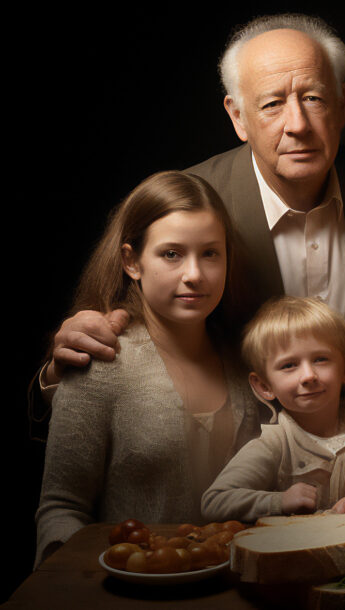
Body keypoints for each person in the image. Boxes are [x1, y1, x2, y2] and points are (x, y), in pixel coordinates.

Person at [40, 13, 345, 395]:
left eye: (313, 98)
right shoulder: (182, 206)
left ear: (342, 104)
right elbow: (86, 359)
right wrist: (60, 372)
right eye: (272, 104)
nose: (297, 124)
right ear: (238, 117)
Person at [35, 171, 261, 566]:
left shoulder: (249, 365)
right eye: (171, 254)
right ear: (131, 261)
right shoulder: (101, 363)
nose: (194, 274)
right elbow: (61, 508)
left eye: (210, 253)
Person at [201, 296, 345, 522]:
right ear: (264, 386)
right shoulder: (275, 444)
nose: (308, 376)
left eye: (321, 359)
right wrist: (279, 501)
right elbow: (215, 501)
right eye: (289, 365)